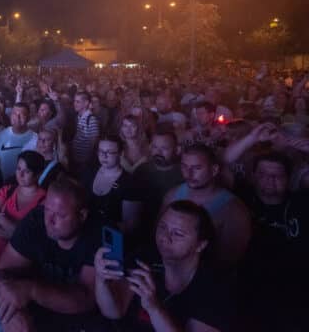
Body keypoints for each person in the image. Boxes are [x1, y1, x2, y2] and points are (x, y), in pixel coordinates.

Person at [94, 200, 237, 331]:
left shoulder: (216, 286)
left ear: (201, 245)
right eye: (162, 227)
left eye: (178, 234)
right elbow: (114, 311)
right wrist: (102, 280)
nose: (165, 237)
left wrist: (154, 307)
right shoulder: (144, 257)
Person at [0, 177, 100, 332]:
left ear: (82, 215)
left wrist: (31, 290)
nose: (49, 220)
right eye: (47, 210)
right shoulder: (36, 221)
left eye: (60, 215)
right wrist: (13, 313)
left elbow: (86, 299)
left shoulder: (97, 232)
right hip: (36, 318)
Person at [238, 152, 309, 331]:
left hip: (296, 290)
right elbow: (223, 162)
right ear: (253, 176)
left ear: (288, 178)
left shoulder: (302, 202)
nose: (270, 180)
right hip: (249, 290)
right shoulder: (241, 198)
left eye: (277, 175)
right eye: (263, 174)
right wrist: (254, 138)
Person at [162, 144, 251, 267]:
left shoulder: (234, 210)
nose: (189, 174)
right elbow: (159, 233)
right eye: (184, 166)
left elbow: (229, 260)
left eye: (197, 168)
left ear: (214, 170)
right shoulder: (171, 195)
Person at [0, 150, 47, 262]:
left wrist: (3, 222)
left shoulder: (44, 200)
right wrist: (12, 234)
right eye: (18, 169)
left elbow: (33, 241)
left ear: (38, 174)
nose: (20, 175)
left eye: (26, 171)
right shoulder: (7, 191)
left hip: (21, 264)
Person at [88, 135, 143, 235]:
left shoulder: (130, 183)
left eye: (109, 152)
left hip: (111, 237)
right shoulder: (89, 172)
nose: (104, 156)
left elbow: (130, 226)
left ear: (121, 154)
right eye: (101, 151)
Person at [0, 103, 36, 183]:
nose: (17, 117)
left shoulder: (36, 139)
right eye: (14, 113)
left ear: (28, 118)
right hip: (1, 183)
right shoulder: (0, 135)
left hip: (23, 185)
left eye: (22, 115)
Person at [71, 91, 99, 172]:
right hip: (76, 157)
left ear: (86, 103)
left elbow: (93, 142)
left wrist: (88, 160)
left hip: (84, 161)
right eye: (74, 101)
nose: (74, 104)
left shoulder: (91, 119)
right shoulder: (78, 116)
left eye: (78, 102)